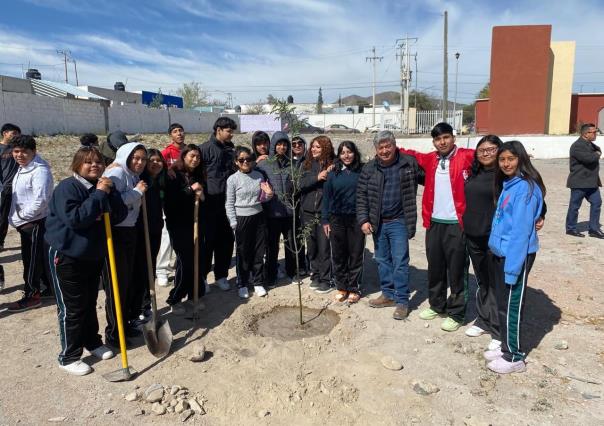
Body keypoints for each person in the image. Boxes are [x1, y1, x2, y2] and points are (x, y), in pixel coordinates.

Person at [45, 147, 127, 376]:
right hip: (67, 255)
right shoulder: (67, 188)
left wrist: (109, 194)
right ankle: (69, 356)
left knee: (89, 302)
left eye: (98, 162)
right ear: (77, 165)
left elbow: (119, 215)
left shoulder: (104, 186)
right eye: (88, 162)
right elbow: (76, 218)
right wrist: (99, 196)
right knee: (72, 308)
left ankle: (93, 341)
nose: (94, 166)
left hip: (93, 254)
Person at [401, 122, 474, 332]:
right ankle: (437, 305)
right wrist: (392, 147)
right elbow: (411, 154)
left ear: (453, 138)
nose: (442, 142)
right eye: (438, 139)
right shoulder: (431, 159)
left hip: (456, 224)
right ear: (433, 142)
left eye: (446, 137)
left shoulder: (466, 156)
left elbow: (489, 158)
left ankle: (457, 313)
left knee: (457, 270)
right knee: (435, 268)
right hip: (434, 223)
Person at [484, 141, 545, 374]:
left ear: (521, 159)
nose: (506, 163)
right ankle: (505, 346)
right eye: (502, 159)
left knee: (511, 306)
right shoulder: (509, 184)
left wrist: (513, 268)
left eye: (511, 158)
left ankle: (514, 357)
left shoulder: (526, 189)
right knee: (502, 303)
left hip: (515, 255)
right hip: (501, 252)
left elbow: (520, 232)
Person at [357, 131, 420, 320]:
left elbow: (430, 178)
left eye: (388, 146)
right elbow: (361, 196)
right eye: (380, 147)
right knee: (383, 260)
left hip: (399, 221)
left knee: (400, 262)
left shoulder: (408, 163)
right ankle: (388, 294)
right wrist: (363, 219)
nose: (384, 151)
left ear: (394, 145)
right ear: (376, 150)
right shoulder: (369, 168)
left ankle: (402, 301)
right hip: (378, 223)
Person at [102, 142, 148, 346]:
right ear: (126, 156)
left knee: (127, 282)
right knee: (117, 286)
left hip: (129, 230)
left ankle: (126, 324)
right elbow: (112, 203)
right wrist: (137, 193)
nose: (139, 162)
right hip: (116, 233)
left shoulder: (132, 174)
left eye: (143, 159)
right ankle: (114, 334)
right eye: (136, 158)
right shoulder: (117, 174)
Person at [7, 135, 54, 312]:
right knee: (37, 258)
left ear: (33, 151)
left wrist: (22, 218)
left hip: (34, 223)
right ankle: (47, 288)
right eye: (16, 151)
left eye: (24, 152)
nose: (19, 155)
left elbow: (40, 200)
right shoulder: (23, 167)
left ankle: (32, 295)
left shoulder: (39, 171)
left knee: (31, 261)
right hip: (26, 223)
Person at [226, 146, 273, 299]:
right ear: (236, 162)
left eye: (248, 159)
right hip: (241, 219)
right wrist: (234, 223)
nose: (245, 162)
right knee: (243, 252)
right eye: (241, 160)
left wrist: (269, 194)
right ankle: (242, 283)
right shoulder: (232, 179)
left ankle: (258, 282)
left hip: (258, 216)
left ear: (253, 160)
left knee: (259, 251)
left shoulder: (259, 175)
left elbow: (263, 198)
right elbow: (229, 203)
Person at [164, 144, 206, 314]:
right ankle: (175, 298)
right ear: (184, 156)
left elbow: (202, 195)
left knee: (197, 258)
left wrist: (201, 194)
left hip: (195, 222)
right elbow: (171, 201)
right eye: (192, 156)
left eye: (197, 156)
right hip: (178, 224)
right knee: (185, 261)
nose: (195, 159)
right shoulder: (174, 174)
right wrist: (190, 189)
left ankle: (194, 294)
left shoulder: (197, 174)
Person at [322, 141, 364, 303]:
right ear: (338, 155)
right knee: (338, 254)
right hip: (336, 219)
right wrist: (325, 220)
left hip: (356, 219)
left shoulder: (362, 170)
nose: (346, 155)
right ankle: (342, 286)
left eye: (349, 152)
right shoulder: (333, 173)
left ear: (355, 153)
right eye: (343, 152)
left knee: (355, 253)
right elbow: (327, 198)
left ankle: (354, 287)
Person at [199, 117, 237, 291]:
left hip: (227, 203)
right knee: (208, 242)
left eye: (232, 131)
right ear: (218, 129)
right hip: (209, 204)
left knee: (226, 241)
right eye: (228, 131)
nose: (231, 134)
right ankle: (203, 278)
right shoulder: (204, 149)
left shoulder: (231, 149)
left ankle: (221, 275)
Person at [130, 149, 167, 327]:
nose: (155, 163)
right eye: (151, 160)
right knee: (140, 270)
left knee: (150, 266)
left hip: (154, 229)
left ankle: (146, 305)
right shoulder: (140, 180)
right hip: (140, 231)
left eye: (159, 160)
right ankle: (136, 309)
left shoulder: (160, 179)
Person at [257, 131, 299, 287]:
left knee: (290, 244)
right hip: (272, 212)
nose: (282, 147)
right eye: (279, 144)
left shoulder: (292, 164)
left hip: (289, 212)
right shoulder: (263, 164)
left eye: (284, 144)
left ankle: (292, 272)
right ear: (273, 146)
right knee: (272, 246)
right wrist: (255, 162)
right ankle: (271, 275)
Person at [300, 135, 335, 293]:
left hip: (323, 213)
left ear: (325, 148)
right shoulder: (306, 165)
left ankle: (326, 279)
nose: (313, 149)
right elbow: (300, 184)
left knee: (324, 247)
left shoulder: (334, 165)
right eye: (313, 146)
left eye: (318, 147)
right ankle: (315, 275)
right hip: (307, 212)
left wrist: (330, 171)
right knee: (312, 246)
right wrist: (317, 177)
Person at [156, 123, 186, 287]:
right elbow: (158, 171)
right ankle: (162, 270)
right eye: (175, 131)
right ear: (170, 135)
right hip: (169, 199)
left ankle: (180, 265)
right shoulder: (166, 153)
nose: (179, 133)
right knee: (167, 235)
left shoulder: (189, 150)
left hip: (186, 198)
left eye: (181, 130)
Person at [565, 123, 603, 238]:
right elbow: (588, 159)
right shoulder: (577, 146)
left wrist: (597, 152)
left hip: (591, 182)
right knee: (575, 206)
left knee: (597, 203)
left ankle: (594, 229)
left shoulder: (589, 144)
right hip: (579, 181)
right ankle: (571, 228)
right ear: (586, 134)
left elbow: (598, 150)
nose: (596, 134)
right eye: (594, 132)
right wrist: (597, 154)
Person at [0, 123, 21, 290]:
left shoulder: (18, 149)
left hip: (19, 187)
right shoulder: (1, 149)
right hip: (5, 188)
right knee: (2, 217)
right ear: (4, 133)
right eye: (13, 133)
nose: (15, 135)